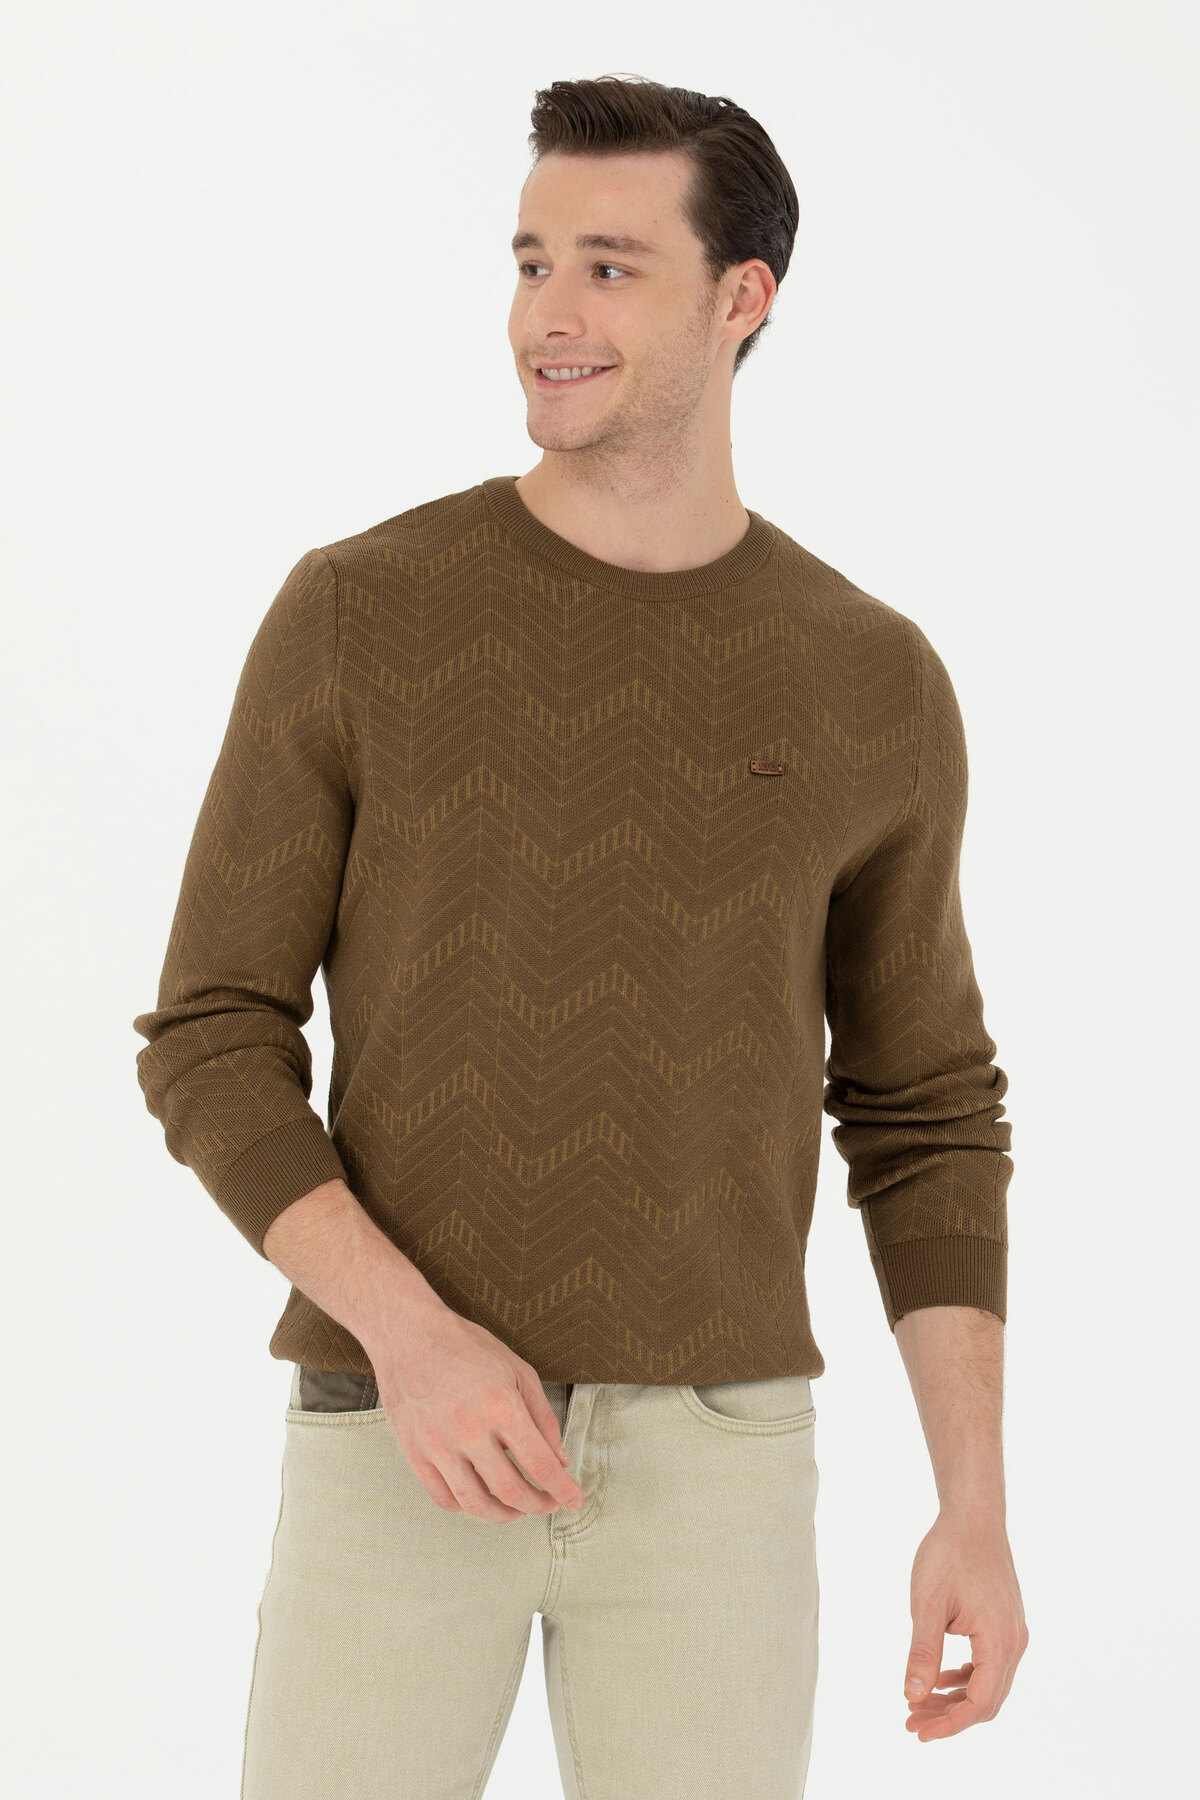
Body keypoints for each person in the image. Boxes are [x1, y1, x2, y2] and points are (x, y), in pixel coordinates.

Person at [132, 73, 1028, 1800]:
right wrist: (413, 1337)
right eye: (531, 259)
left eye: (611, 267)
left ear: (742, 297)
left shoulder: (869, 677)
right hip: (399, 1432)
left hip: (721, 1467)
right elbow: (212, 1035)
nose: (549, 310)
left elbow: (926, 1111)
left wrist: (972, 1508)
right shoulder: (361, 611)